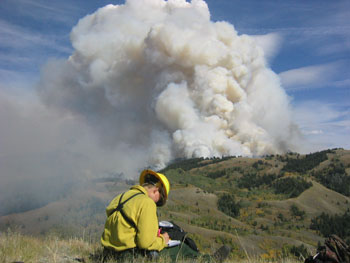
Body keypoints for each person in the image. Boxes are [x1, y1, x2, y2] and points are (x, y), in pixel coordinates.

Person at [101, 169, 170, 261]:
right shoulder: (147, 203)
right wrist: (163, 240)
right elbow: (145, 243)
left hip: (106, 254)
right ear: (156, 191)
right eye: (159, 200)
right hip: (126, 257)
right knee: (159, 253)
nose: (156, 203)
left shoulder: (121, 196)